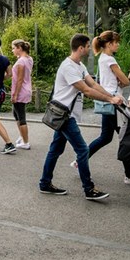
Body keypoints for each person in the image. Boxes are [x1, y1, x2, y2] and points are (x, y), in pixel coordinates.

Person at [39, 33, 123, 200]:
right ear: (80, 48)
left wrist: (111, 96)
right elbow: (86, 90)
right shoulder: (68, 67)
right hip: (63, 115)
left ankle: (44, 183)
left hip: (66, 114)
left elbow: (93, 84)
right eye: (86, 47)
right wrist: (109, 99)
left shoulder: (79, 65)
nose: (89, 50)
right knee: (83, 150)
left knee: (55, 149)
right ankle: (89, 189)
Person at [79, 30, 130, 186]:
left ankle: (81, 159)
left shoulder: (102, 58)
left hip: (108, 100)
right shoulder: (110, 60)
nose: (118, 44)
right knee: (126, 138)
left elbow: (114, 81)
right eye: (116, 42)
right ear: (108, 44)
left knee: (106, 137)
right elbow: (125, 81)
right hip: (115, 102)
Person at [10, 39, 33, 150]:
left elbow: (19, 80)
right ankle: (22, 136)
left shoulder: (20, 62)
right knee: (16, 114)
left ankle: (26, 142)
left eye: (14, 48)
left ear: (19, 48)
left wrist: (15, 95)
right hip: (26, 89)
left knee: (21, 117)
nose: (12, 50)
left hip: (21, 91)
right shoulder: (28, 59)